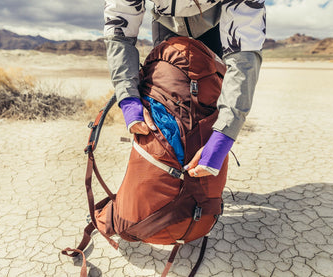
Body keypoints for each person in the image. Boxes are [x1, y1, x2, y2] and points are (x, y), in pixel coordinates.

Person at [104, 0, 265, 178]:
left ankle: (202, 193)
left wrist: (224, 135)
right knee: (162, 115)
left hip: (216, 24)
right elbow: (119, 31)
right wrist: (128, 100)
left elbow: (244, 53)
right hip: (167, 21)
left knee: (207, 115)